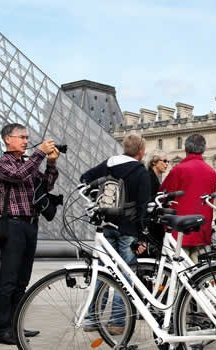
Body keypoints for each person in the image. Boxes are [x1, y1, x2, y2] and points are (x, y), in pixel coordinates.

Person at [0, 123, 59, 345]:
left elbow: (46, 185)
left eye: (27, 137)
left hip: (30, 225)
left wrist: (52, 162)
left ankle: (15, 324)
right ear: (7, 139)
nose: (26, 141)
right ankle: (0, 331)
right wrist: (39, 154)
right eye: (21, 137)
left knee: (22, 281)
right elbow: (18, 176)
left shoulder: (28, 163)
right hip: (12, 225)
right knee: (7, 281)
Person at [80, 133, 150, 335]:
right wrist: (142, 232)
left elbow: (84, 179)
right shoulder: (140, 171)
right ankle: (117, 322)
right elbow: (143, 206)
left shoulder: (108, 164)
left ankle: (92, 319)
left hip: (106, 225)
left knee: (102, 273)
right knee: (125, 275)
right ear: (140, 151)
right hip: (128, 229)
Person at [159, 134, 216, 262]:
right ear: (203, 149)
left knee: (178, 273)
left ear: (185, 148)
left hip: (180, 231)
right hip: (201, 229)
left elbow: (163, 195)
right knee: (199, 274)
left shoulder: (178, 170)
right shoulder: (212, 172)